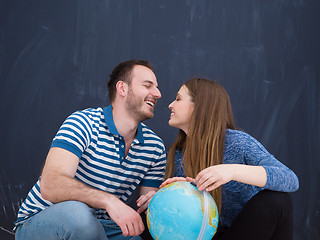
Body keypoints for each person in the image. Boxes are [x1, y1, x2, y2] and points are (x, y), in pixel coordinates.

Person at [14, 60, 166, 240]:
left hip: (105, 228)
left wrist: (163, 196)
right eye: (148, 86)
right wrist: (110, 201)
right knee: (80, 217)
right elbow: (51, 184)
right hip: (41, 221)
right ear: (122, 89)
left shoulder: (155, 147)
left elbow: (149, 210)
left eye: (156, 87)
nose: (158, 94)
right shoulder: (83, 123)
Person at [160, 77, 299, 240]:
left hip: (248, 231)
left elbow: (290, 179)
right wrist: (177, 190)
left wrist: (231, 171)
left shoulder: (238, 142)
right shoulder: (176, 154)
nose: (170, 105)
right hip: (210, 234)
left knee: (277, 200)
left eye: (178, 99)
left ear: (199, 106)